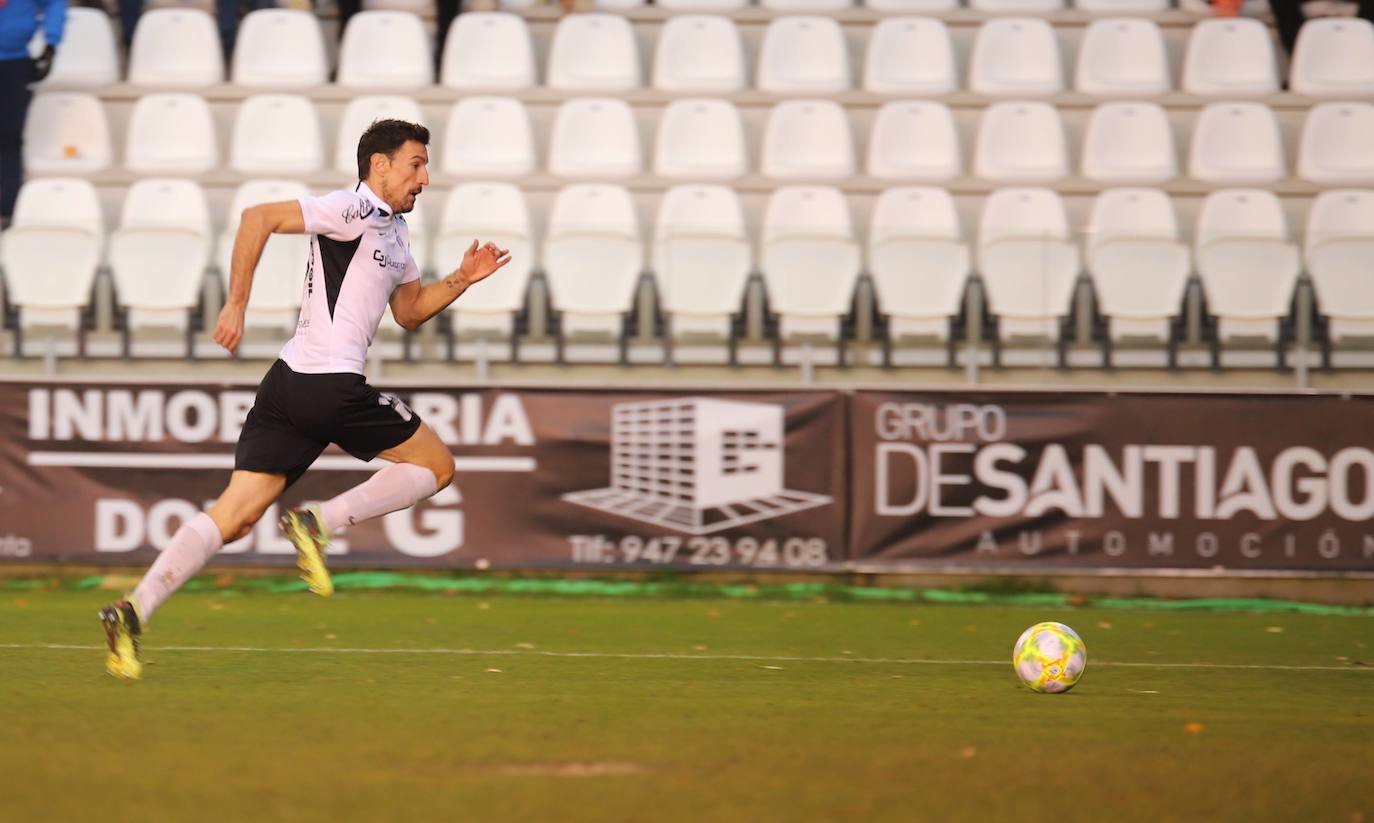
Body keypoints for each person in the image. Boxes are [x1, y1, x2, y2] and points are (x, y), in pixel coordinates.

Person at [99, 119, 511, 680]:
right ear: (380, 165)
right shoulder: (353, 210)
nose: (425, 178)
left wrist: (462, 278)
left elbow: (410, 311)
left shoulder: (393, 232)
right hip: (330, 384)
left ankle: (133, 611)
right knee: (437, 466)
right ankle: (321, 522)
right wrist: (235, 304)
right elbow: (257, 218)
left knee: (236, 515)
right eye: (415, 164)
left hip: (289, 385)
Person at [0, 0, 63, 226]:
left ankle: (7, 210)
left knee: (9, 135)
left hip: (14, 62)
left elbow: (54, 3)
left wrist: (51, 43)